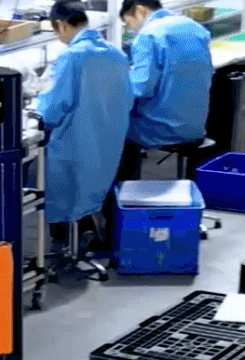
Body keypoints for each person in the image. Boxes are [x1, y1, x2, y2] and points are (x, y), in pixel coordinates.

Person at [35, 1, 129, 237]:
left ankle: (64, 239)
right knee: (89, 193)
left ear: (61, 25)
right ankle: (83, 231)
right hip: (107, 148)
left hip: (75, 151)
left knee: (33, 172)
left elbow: (52, 111)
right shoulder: (117, 54)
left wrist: (37, 104)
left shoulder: (72, 57)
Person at [117, 0, 213, 181]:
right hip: (195, 126)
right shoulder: (195, 28)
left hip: (161, 129)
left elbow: (140, 89)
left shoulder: (148, 35)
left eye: (128, 23)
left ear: (139, 10)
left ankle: (123, 190)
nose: (131, 30)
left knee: (110, 126)